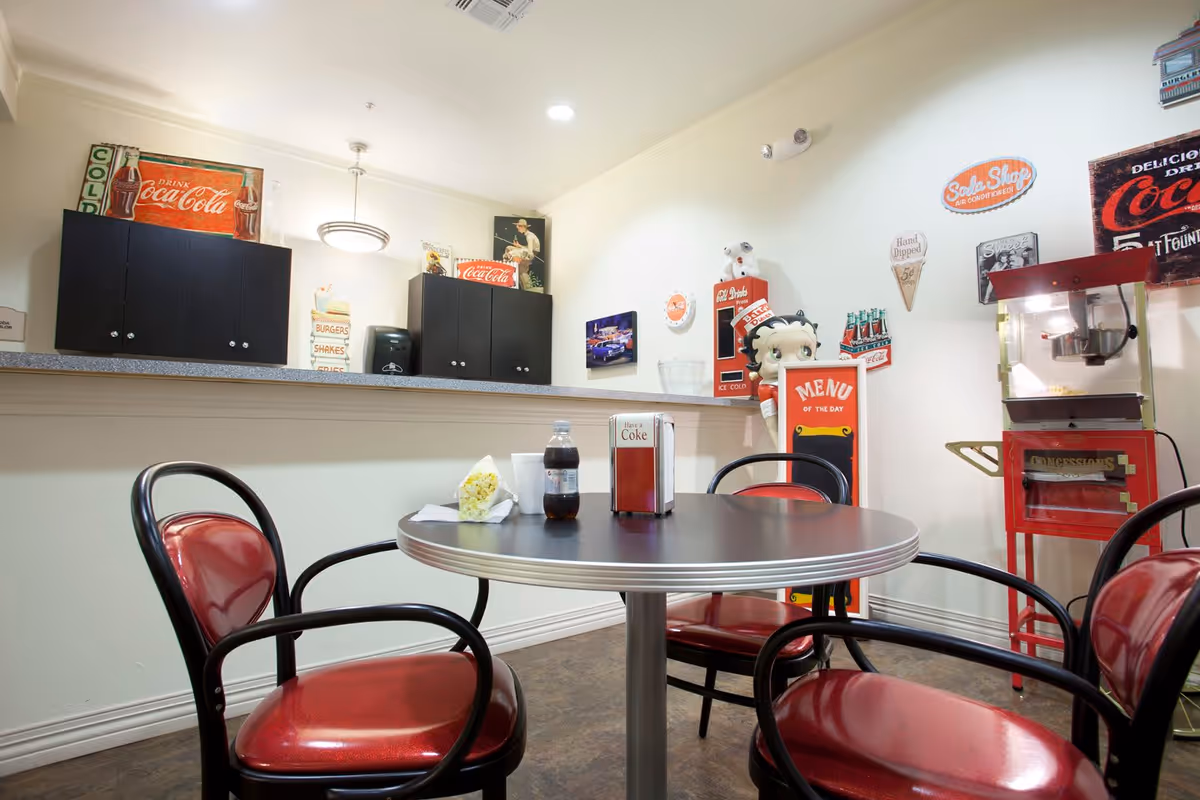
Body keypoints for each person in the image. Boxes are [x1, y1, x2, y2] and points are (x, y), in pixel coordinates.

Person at [742, 311, 821, 447]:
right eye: (776, 354)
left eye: (806, 351)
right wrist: (782, 450)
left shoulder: (815, 382)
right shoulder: (768, 388)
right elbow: (771, 422)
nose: (791, 362)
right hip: (794, 443)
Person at [503, 219, 542, 289]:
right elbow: (528, 247)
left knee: (510, 253)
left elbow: (530, 252)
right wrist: (519, 246)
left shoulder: (530, 236)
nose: (517, 228)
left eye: (518, 227)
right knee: (508, 248)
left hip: (531, 254)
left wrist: (520, 255)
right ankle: (509, 264)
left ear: (522, 227)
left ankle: (509, 263)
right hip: (528, 251)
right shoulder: (528, 235)